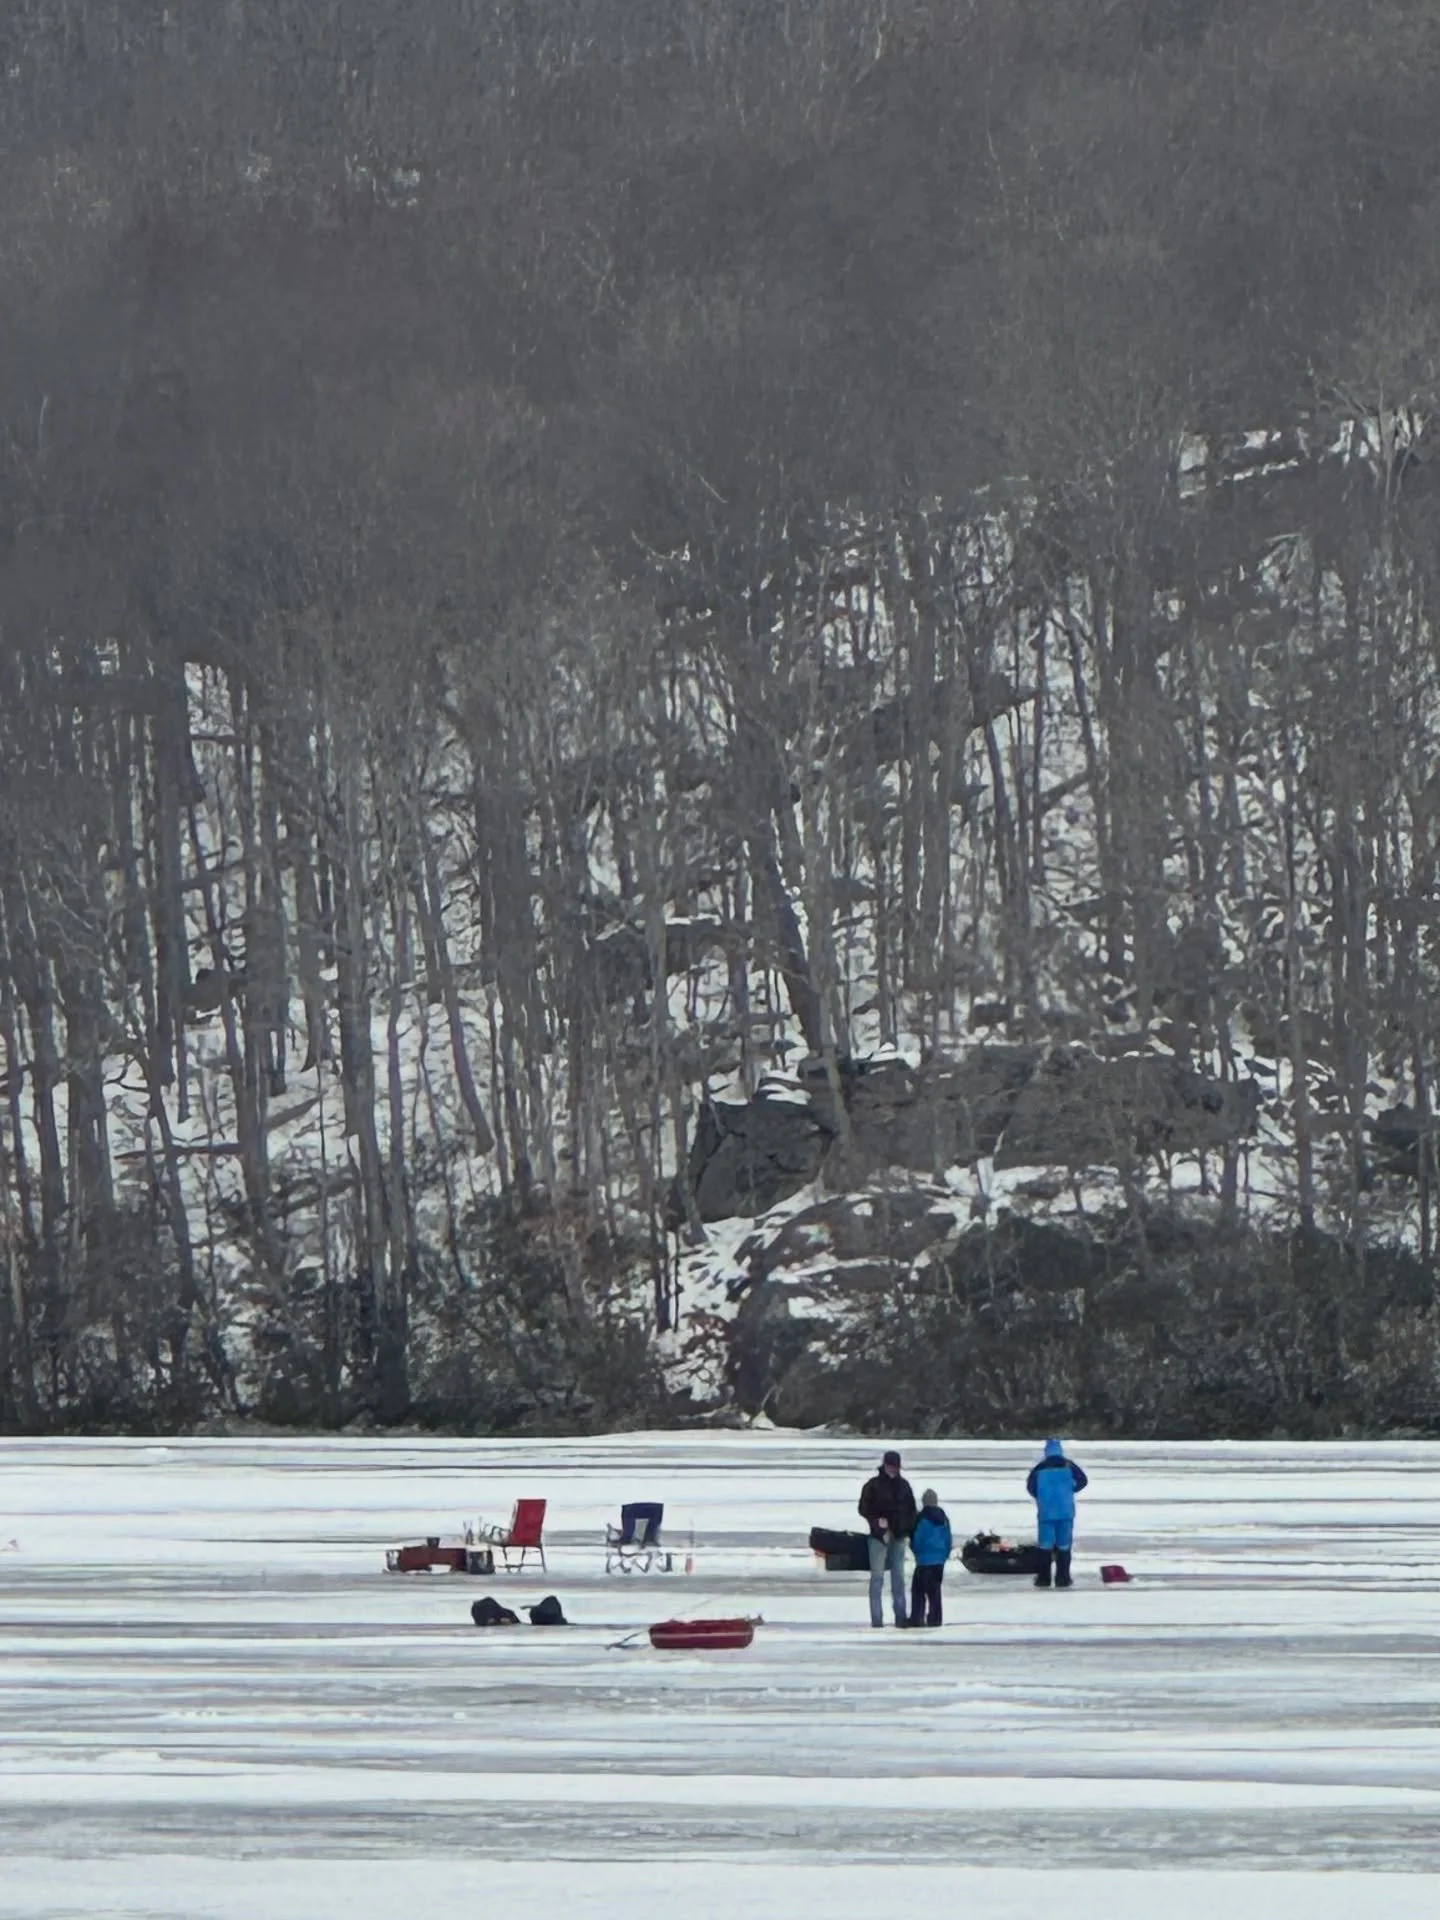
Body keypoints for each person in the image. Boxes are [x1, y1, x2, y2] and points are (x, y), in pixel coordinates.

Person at [858, 1449, 917, 1627]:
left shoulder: (904, 1486)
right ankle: (877, 1620)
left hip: (898, 1537)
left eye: (896, 1467)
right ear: (884, 1465)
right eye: (891, 1466)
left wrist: (906, 1529)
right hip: (878, 1537)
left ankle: (901, 1617)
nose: (893, 1470)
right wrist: (876, 1521)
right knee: (877, 1578)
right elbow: (863, 1508)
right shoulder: (873, 1485)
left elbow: (911, 1511)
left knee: (898, 1578)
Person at [1026, 1436, 1088, 1588]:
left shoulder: (1039, 1468)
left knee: (1045, 1546)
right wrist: (1070, 1490)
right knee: (1064, 1545)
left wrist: (1041, 1497)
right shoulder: (1069, 1465)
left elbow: (1030, 1487)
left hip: (1046, 1513)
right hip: (1065, 1511)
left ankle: (1043, 1579)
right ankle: (1063, 1578)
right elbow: (1083, 1481)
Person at [908, 1488, 952, 1627]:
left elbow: (917, 1538)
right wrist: (944, 1555)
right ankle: (935, 1618)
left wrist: (916, 1551)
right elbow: (948, 1539)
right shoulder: (944, 1518)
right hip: (939, 1562)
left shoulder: (921, 1517)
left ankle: (917, 1618)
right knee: (935, 1592)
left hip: (924, 1561)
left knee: (918, 1591)